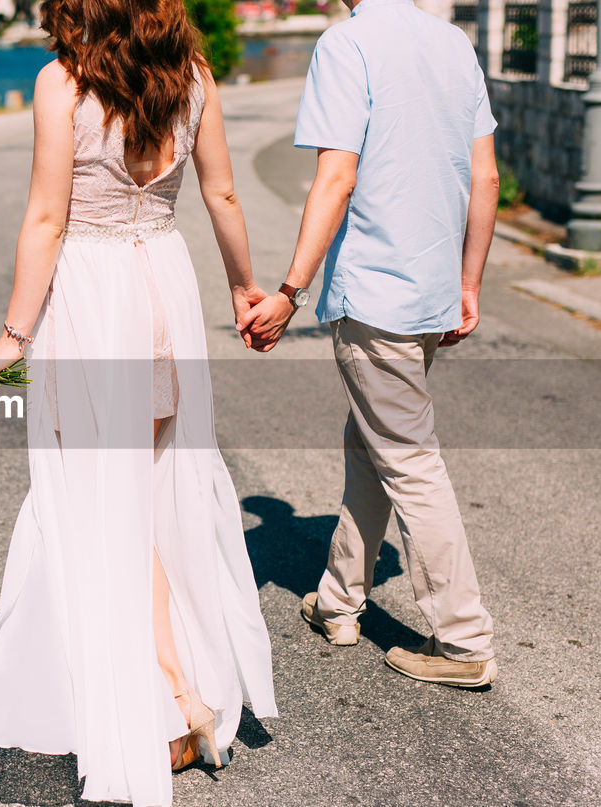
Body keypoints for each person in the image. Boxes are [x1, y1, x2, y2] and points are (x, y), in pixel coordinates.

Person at [0, 0, 278, 803]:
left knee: (98, 505)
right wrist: (245, 289)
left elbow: (49, 218)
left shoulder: (64, 84)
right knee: (154, 495)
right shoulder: (194, 77)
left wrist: (12, 336)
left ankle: (170, 703)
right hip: (163, 284)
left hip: (92, 303)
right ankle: (182, 681)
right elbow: (222, 197)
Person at [237, 0, 500, 687]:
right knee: (373, 441)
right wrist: (468, 282)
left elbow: (336, 175)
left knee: (409, 460)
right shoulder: (453, 45)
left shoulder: (345, 44)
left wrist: (289, 291)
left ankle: (464, 638)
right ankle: (339, 599)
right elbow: (486, 177)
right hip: (432, 291)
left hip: (377, 294)